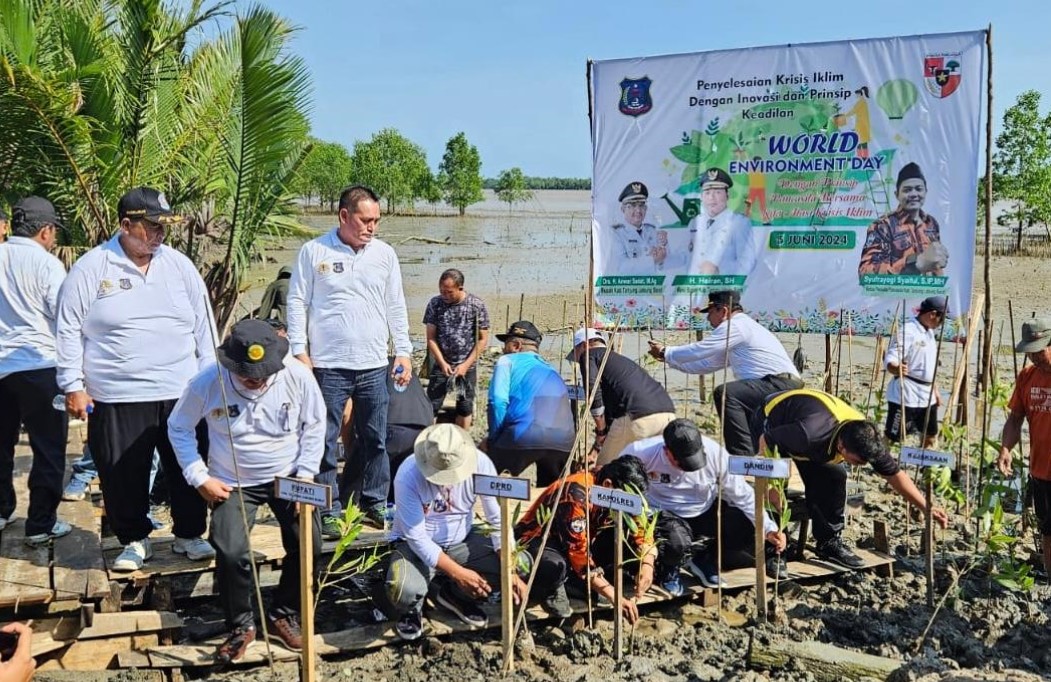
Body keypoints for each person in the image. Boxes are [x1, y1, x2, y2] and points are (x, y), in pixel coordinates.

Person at [55, 187, 215, 572]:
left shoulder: (179, 266)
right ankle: (133, 539)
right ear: (126, 225)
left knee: (187, 465)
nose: (160, 234)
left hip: (182, 390)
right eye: (152, 226)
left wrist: (211, 380)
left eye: (164, 226)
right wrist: (72, 384)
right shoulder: (93, 268)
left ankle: (189, 535)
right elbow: (67, 329)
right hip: (118, 392)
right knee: (122, 470)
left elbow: (204, 326)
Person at [168, 319, 324, 662]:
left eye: (262, 374)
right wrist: (199, 476)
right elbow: (178, 426)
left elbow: (314, 424)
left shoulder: (297, 376)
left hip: (289, 475)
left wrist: (307, 473)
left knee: (309, 540)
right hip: (233, 479)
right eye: (247, 375)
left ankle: (284, 612)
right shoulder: (208, 382)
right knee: (230, 548)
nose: (256, 380)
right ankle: (241, 625)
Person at [286, 185, 412, 534]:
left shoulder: (384, 254)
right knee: (323, 437)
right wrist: (300, 351)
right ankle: (328, 507)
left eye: (376, 221)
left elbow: (395, 304)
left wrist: (403, 350)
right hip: (327, 364)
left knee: (375, 437)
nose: (372, 227)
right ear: (344, 216)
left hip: (373, 363)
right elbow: (297, 301)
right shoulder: (314, 251)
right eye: (365, 220)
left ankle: (373, 502)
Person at [754, 388, 948, 568]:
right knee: (776, 486)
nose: (863, 465)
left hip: (811, 427)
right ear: (841, 447)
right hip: (772, 420)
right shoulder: (808, 435)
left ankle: (828, 542)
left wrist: (926, 506)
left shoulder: (866, 439)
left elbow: (894, 474)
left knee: (835, 476)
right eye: (858, 461)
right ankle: (773, 547)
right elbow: (766, 440)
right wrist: (771, 486)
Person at [383, 424, 523, 641]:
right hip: (415, 548)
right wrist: (458, 573)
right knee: (403, 588)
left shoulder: (481, 463)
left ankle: (453, 594)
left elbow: (497, 519)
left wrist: (510, 569)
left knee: (521, 564)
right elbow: (416, 537)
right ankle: (413, 608)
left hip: (462, 542)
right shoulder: (407, 475)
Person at [624, 419, 786, 595]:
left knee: (746, 525)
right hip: (662, 513)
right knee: (676, 540)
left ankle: (701, 558)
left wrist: (769, 529)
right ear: (667, 451)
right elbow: (619, 483)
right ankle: (668, 568)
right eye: (682, 463)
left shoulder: (716, 453)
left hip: (703, 510)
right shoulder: (640, 452)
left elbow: (742, 494)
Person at [648, 290, 802, 457]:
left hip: (777, 384)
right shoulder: (739, 331)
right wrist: (668, 359)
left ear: (724, 311)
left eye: (711, 313)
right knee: (749, 418)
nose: (708, 319)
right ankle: (755, 460)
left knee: (726, 394)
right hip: (774, 384)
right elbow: (705, 364)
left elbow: (702, 349)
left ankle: (741, 457)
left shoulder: (735, 325)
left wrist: (666, 351)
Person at [0, 197, 71, 546]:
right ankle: (40, 524)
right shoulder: (47, 265)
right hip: (40, 367)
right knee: (48, 447)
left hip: (1, 369)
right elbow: (64, 318)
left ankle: (1, 511)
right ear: (45, 230)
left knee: (0, 445)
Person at [515, 455, 654, 625]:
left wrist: (647, 564)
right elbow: (579, 552)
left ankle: (576, 582)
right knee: (554, 568)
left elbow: (641, 528)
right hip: (543, 541)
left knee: (625, 540)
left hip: (586, 537)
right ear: (608, 485)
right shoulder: (576, 495)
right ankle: (553, 587)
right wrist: (614, 596)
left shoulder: (622, 493)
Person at [482, 321, 575, 487]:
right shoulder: (552, 370)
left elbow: (497, 401)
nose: (503, 349)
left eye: (506, 344)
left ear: (517, 345)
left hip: (524, 434)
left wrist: (493, 439)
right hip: (564, 441)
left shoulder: (507, 361)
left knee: (487, 482)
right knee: (548, 498)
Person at [566, 328, 676, 467]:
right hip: (667, 414)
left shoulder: (588, 354)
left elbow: (592, 389)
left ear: (584, 345)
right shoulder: (617, 362)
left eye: (576, 354)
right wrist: (595, 451)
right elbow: (612, 421)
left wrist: (600, 429)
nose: (577, 359)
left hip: (637, 417)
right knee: (645, 469)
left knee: (603, 469)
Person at [339, 356, 434, 506]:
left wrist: (350, 450)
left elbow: (347, 413)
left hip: (391, 424)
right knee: (396, 489)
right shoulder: (402, 365)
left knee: (351, 494)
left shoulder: (365, 368)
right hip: (422, 429)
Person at [998, 317, 1051, 579]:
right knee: (1047, 529)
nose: (1035, 358)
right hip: (1040, 469)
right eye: (1030, 353)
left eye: (1039, 351)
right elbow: (1015, 418)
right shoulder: (1027, 377)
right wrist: (1006, 449)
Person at [423, 269, 490, 429]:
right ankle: (427, 440)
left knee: (464, 405)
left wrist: (465, 366)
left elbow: (482, 339)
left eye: (449, 292)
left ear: (460, 288)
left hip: (466, 367)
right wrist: (442, 362)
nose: (445, 295)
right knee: (431, 405)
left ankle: (462, 441)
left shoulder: (476, 306)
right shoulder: (435, 304)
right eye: (442, 291)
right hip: (441, 365)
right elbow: (431, 337)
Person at [858, 162, 948, 276]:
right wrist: (914, 264)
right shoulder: (883, 226)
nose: (914, 194)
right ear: (897, 195)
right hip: (895, 293)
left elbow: (936, 265)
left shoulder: (931, 223)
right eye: (907, 190)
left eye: (918, 189)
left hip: (930, 292)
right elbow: (865, 272)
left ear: (926, 192)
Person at [884, 296, 947, 448]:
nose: (942, 322)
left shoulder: (929, 333)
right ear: (932, 314)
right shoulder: (908, 331)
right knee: (893, 436)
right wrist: (895, 368)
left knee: (930, 435)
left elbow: (929, 366)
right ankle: (880, 465)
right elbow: (891, 356)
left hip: (927, 395)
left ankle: (925, 467)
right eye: (942, 318)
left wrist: (935, 390)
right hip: (906, 394)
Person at [687, 168, 758, 277]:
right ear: (701, 197)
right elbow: (686, 256)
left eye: (718, 192)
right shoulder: (695, 223)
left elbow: (748, 263)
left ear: (727, 195)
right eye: (707, 192)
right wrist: (661, 259)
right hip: (695, 290)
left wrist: (718, 269)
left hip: (724, 290)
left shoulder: (739, 222)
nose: (712, 197)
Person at [609, 182, 665, 271]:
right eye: (632, 206)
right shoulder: (616, 233)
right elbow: (621, 267)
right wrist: (652, 260)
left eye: (641, 205)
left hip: (653, 283)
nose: (638, 210)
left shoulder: (652, 231)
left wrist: (662, 256)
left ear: (646, 209)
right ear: (623, 209)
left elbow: (664, 265)